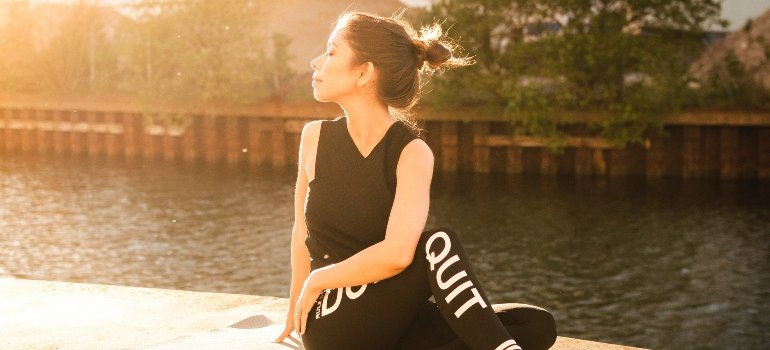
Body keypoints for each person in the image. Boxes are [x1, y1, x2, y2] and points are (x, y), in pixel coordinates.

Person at [274, 10, 557, 350]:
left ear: (364, 72)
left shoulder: (411, 152)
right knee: (438, 244)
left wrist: (318, 279)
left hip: (387, 313)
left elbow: (396, 256)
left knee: (535, 325)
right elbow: (301, 233)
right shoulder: (315, 137)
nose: (316, 62)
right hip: (332, 318)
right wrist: (298, 303)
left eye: (332, 51)